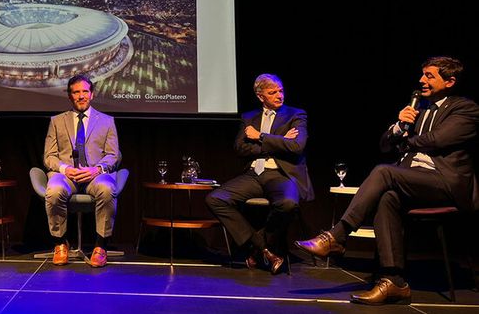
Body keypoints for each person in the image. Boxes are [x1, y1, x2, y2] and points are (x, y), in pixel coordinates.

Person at [295, 56, 479, 305]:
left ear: (450, 82)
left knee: (384, 172)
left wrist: (404, 141)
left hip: (444, 182)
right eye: (422, 74)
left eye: (429, 76)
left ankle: (337, 236)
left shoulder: (465, 108)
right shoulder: (416, 109)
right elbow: (384, 145)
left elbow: (437, 140)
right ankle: (394, 282)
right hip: (413, 180)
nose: (421, 80)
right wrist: (398, 127)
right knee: (387, 198)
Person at [205, 73, 313, 274]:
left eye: (281, 91)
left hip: (280, 174)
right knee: (215, 198)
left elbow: (297, 146)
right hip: (254, 174)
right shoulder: (248, 117)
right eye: (273, 92)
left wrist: (260, 136)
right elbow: (239, 148)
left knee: (288, 204)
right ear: (260, 96)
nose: (279, 95)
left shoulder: (296, 115)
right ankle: (261, 247)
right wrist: (278, 141)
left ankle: (257, 248)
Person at [42, 74, 121, 268]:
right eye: (76, 92)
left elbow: (113, 155)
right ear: (70, 96)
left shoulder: (107, 121)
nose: (81, 96)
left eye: (85, 91)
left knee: (106, 189)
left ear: (92, 94)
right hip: (66, 175)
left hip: (95, 175)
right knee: (53, 191)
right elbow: (49, 156)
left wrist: (97, 169)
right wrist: (65, 168)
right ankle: (60, 243)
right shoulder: (56, 121)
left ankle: (101, 245)